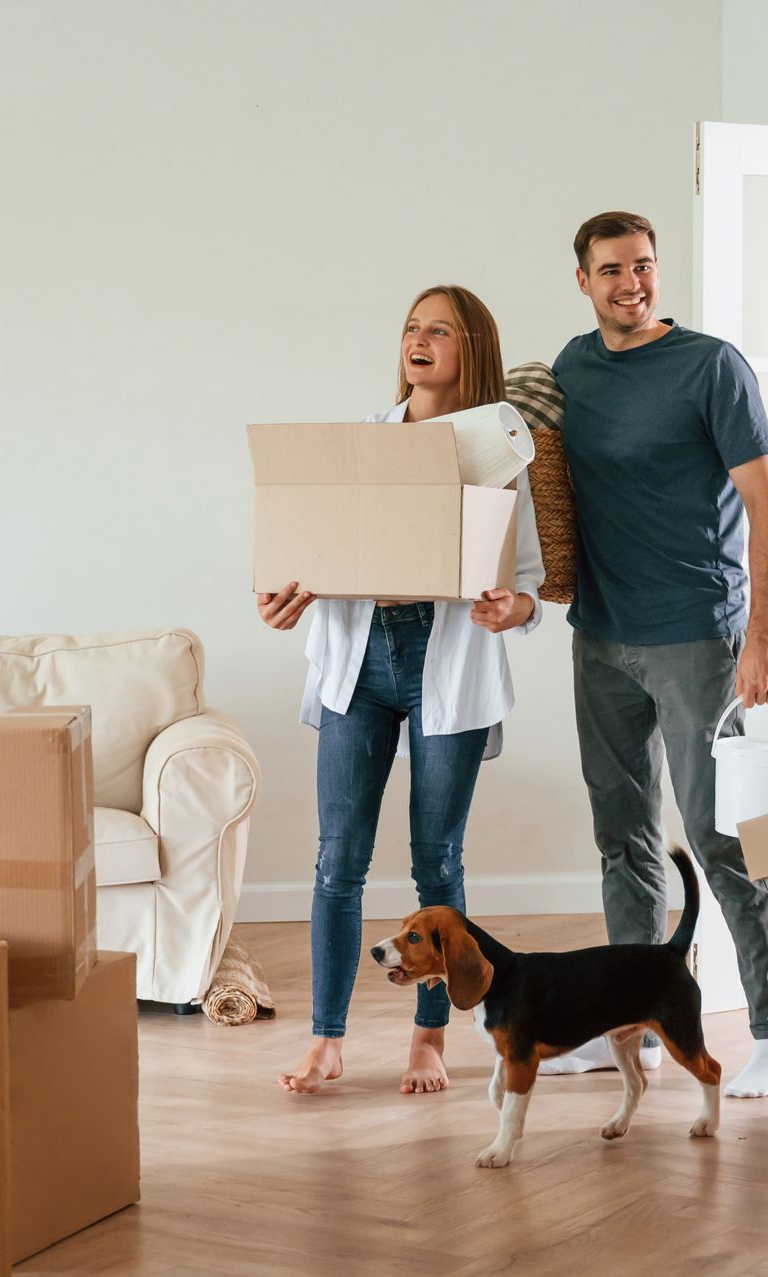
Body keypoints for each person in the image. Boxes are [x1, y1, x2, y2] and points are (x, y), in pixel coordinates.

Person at [542, 211, 768, 1098]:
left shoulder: (710, 365)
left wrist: (761, 637)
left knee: (718, 836)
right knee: (622, 840)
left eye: (644, 266)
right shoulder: (572, 370)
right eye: (612, 269)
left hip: (698, 633)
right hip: (601, 637)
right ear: (583, 280)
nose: (632, 282)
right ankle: (633, 1025)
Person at [258, 284, 544, 1095]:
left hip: (447, 662)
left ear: (470, 349)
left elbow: (529, 584)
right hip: (360, 661)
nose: (418, 340)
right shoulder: (361, 446)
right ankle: (327, 1038)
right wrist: (284, 598)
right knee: (336, 859)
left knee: (436, 862)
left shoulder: (498, 454)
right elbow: (308, 555)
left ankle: (430, 1039)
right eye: (411, 328)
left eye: (438, 330)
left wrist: (507, 606)